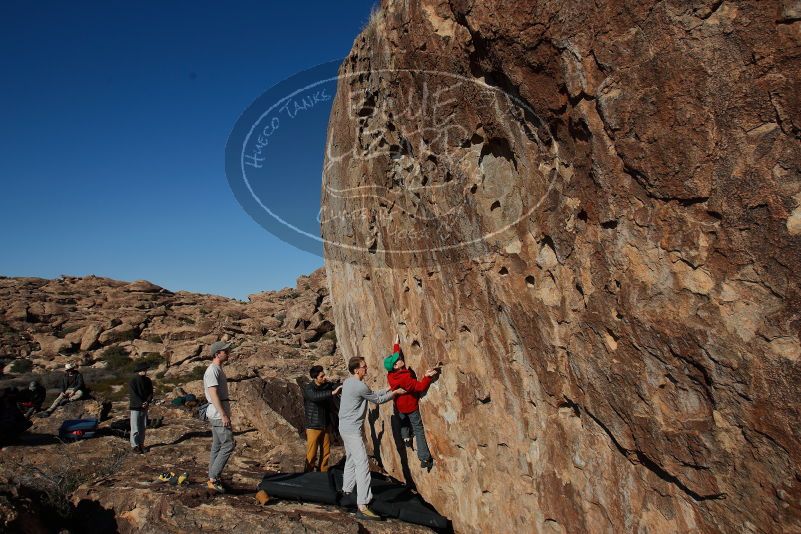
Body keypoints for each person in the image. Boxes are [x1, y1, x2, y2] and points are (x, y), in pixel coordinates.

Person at [339, 355, 406, 521]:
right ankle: (363, 505)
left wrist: (390, 388)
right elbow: (377, 399)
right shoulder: (359, 386)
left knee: (351, 460)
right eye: (363, 366)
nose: (366, 367)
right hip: (352, 430)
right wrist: (395, 393)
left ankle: (346, 492)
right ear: (356, 369)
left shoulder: (348, 382)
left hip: (344, 427)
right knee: (362, 464)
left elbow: (372, 393)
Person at [384, 334, 439, 470]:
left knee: (403, 421)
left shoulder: (391, 374)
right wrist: (427, 377)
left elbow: (394, 357)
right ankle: (425, 458)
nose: (401, 358)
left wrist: (396, 344)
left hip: (400, 405)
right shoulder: (404, 379)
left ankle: (406, 438)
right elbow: (420, 387)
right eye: (399, 360)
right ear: (396, 366)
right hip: (410, 406)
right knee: (418, 429)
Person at [204, 341, 235, 492]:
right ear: (217, 354)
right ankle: (214, 478)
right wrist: (223, 415)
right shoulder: (212, 371)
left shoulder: (217, 369)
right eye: (225, 351)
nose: (228, 353)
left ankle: (212, 476)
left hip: (217, 413)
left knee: (217, 445)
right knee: (229, 444)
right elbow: (213, 394)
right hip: (217, 414)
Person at [302, 365, 342, 472]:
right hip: (313, 425)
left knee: (326, 452)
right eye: (321, 376)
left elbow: (336, 386)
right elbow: (315, 397)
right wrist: (332, 393)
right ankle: (307, 474)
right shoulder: (309, 388)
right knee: (312, 453)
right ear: (315, 378)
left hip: (326, 425)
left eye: (324, 375)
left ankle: (323, 473)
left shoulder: (327, 385)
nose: (324, 377)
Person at [128, 361, 154, 454]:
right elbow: (133, 394)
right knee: (135, 427)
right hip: (135, 406)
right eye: (144, 370)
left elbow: (151, 393)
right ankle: (135, 445)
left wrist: (147, 401)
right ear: (139, 370)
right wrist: (141, 403)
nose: (145, 371)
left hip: (144, 406)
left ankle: (141, 444)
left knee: (143, 426)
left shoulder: (148, 380)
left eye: (146, 370)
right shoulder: (133, 381)